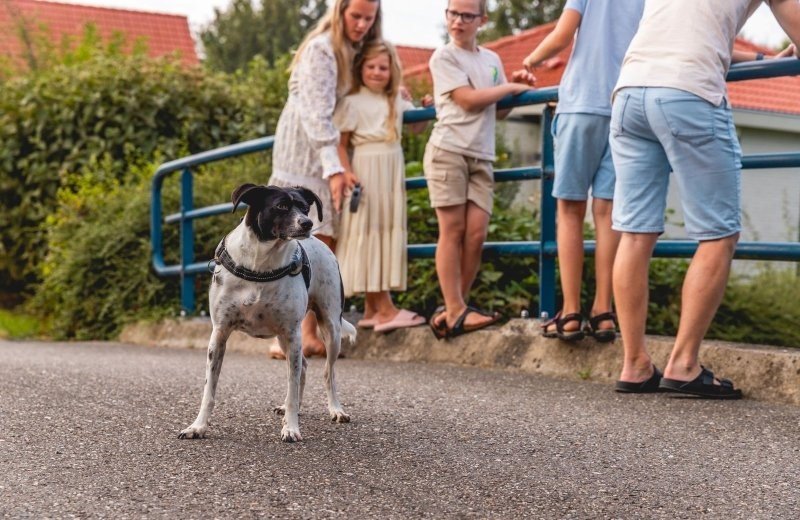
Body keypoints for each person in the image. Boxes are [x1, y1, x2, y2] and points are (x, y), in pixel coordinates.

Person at [609, 0, 800, 397]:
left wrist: (763, 56)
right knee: (718, 234)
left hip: (629, 92)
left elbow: (694, 32)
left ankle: (634, 364)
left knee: (634, 233)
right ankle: (682, 364)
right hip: (688, 92)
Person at [522, 0, 645, 343]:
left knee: (570, 209)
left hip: (581, 104)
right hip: (623, 106)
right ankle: (603, 311)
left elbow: (562, 34)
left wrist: (531, 60)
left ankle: (572, 311)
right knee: (606, 213)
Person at [268, 0, 382, 359]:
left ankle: (301, 333)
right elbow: (317, 116)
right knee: (305, 240)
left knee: (318, 241)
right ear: (340, 11)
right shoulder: (322, 50)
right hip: (305, 155)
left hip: (322, 154)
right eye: (356, 16)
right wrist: (333, 167)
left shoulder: (350, 50)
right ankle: (291, 336)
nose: (362, 24)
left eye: (369, 17)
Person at [425, 0, 536, 339]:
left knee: (476, 234)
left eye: (466, 15)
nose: (458, 21)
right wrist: (514, 88)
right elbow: (469, 100)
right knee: (452, 229)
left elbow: (496, 110)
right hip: (449, 150)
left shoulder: (491, 60)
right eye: (452, 14)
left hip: (482, 155)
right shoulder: (443, 57)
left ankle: (456, 308)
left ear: (482, 20)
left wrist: (510, 86)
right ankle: (456, 308)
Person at [334, 41, 431, 333]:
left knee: (386, 230)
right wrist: (348, 172)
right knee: (369, 231)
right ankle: (384, 309)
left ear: (392, 70)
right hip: (366, 167)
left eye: (383, 68)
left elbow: (414, 129)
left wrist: (425, 110)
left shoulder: (397, 99)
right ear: (361, 68)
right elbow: (341, 144)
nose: (377, 72)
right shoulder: (352, 101)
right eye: (371, 67)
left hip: (391, 168)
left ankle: (373, 310)